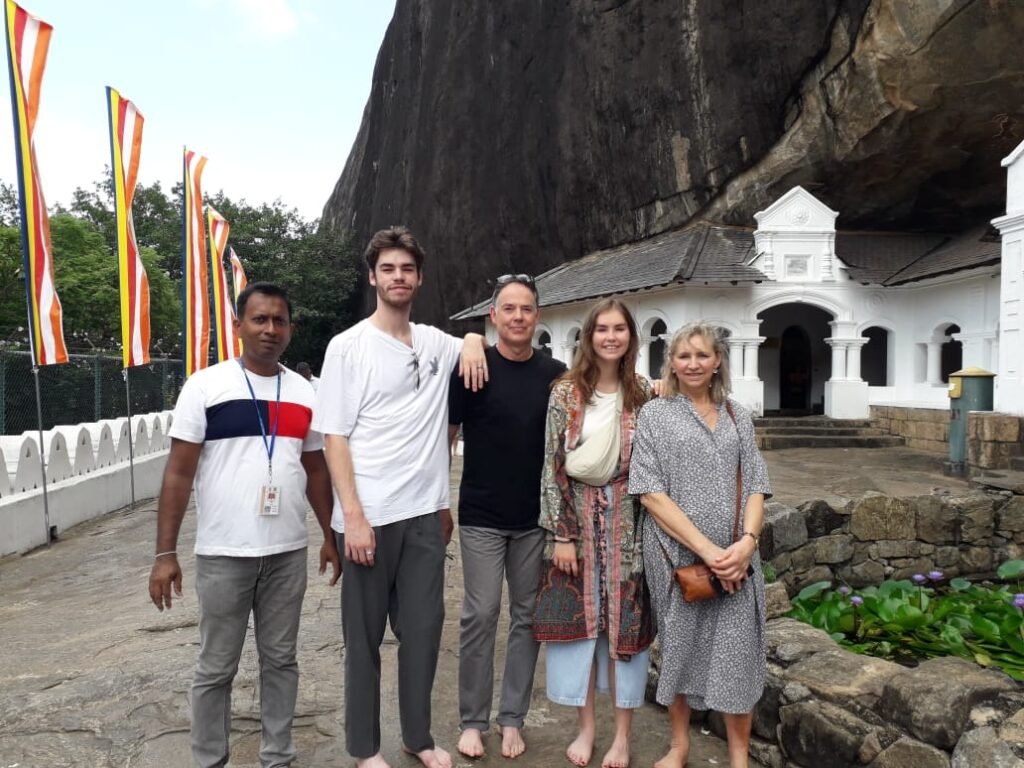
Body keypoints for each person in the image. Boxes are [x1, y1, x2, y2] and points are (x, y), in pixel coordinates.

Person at [148, 281, 342, 768]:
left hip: (286, 553)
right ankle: (209, 760)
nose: (270, 329)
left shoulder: (304, 392)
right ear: (238, 326)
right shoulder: (206, 386)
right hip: (224, 554)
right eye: (259, 319)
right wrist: (164, 553)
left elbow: (316, 468)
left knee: (281, 661)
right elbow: (178, 473)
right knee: (216, 667)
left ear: (290, 329)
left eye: (279, 320)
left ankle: (278, 757)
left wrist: (329, 535)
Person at [313, 226, 487, 768]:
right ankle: (364, 748)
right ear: (373, 277)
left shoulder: (435, 342)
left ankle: (418, 736)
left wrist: (474, 339)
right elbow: (334, 436)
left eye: (407, 269)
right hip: (368, 516)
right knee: (363, 640)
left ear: (420, 278)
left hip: (423, 516)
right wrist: (353, 517)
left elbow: (479, 346)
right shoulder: (348, 346)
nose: (398, 277)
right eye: (388, 269)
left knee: (424, 634)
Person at [627, 322, 770, 768]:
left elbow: (756, 485)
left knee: (738, 653)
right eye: (684, 356)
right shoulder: (655, 414)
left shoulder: (737, 415)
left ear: (717, 361)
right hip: (676, 555)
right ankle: (679, 745)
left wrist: (747, 544)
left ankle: (739, 756)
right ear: (671, 362)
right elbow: (650, 492)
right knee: (680, 648)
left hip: (737, 560)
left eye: (702, 355)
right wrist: (708, 551)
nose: (693, 364)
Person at [447, 274, 566, 760]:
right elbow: (447, 436)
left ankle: (511, 717)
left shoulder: (555, 375)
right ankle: (473, 721)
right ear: (493, 316)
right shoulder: (472, 367)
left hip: (533, 518)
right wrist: (437, 501)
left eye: (526, 309)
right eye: (509, 309)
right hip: (481, 513)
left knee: (527, 617)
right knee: (480, 614)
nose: (518, 317)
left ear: (538, 316)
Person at [534, 298, 655, 768]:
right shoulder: (566, 393)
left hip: (628, 523)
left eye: (619, 329)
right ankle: (586, 729)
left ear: (630, 337)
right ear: (589, 336)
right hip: (577, 520)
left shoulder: (642, 392)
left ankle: (621, 737)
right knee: (580, 631)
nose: (610, 337)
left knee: (625, 631)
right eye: (602, 329)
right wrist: (561, 534)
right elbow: (552, 467)